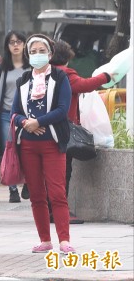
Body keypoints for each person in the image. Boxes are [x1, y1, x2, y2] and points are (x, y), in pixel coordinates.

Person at [11, 34, 74, 254]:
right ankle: (45, 240)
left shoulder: (60, 77)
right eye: (33, 51)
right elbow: (14, 112)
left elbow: (62, 109)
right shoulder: (23, 80)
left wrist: (39, 121)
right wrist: (26, 122)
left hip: (52, 143)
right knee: (36, 194)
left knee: (57, 193)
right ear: (28, 54)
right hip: (28, 145)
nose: (37, 55)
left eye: (42, 51)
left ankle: (64, 240)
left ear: (50, 53)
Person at [49, 39, 114, 224]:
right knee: (63, 171)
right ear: (66, 57)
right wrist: (106, 77)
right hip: (62, 129)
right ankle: (60, 212)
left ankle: (49, 210)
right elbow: (85, 85)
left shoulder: (43, 74)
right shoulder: (65, 74)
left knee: (50, 171)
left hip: (43, 128)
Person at [0, 31, 31, 203]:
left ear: (24, 45)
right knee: (11, 149)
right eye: (12, 42)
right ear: (7, 46)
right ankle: (13, 188)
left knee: (27, 149)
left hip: (28, 115)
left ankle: (28, 182)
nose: (15, 45)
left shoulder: (31, 67)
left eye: (19, 42)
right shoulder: (1, 68)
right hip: (7, 114)